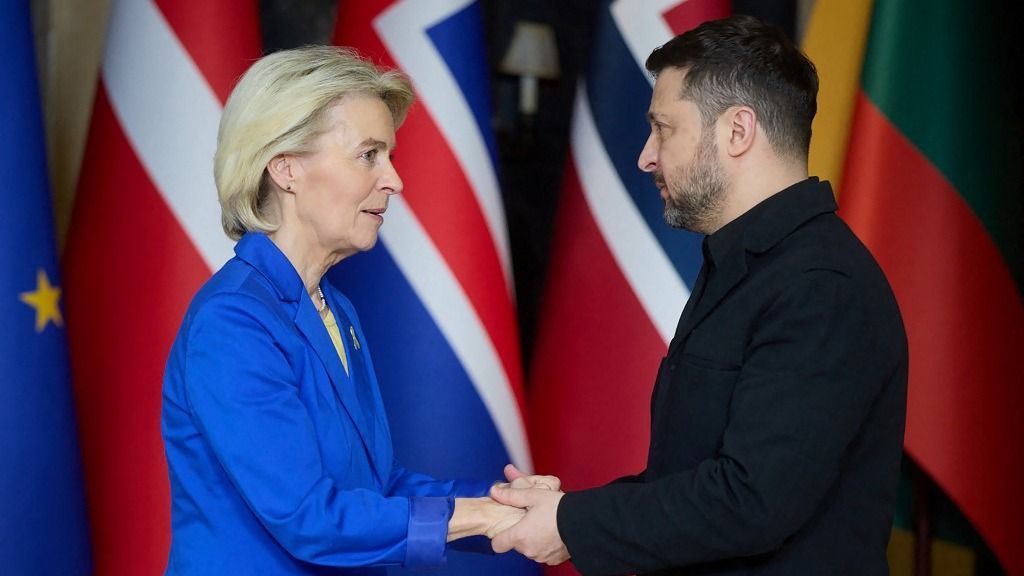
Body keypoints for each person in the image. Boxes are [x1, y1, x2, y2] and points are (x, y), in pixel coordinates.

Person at [489, 15, 908, 575]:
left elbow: (751, 500)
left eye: (664, 128)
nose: (646, 156)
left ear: (737, 131)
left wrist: (571, 522)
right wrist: (567, 513)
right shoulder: (745, 264)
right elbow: (693, 473)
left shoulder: (819, 285)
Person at [161, 46, 549, 575]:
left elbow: (375, 486)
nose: (394, 179)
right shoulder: (233, 322)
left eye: (389, 155)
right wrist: (477, 516)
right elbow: (308, 518)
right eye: (369, 154)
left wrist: (502, 502)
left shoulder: (334, 308)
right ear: (286, 167)